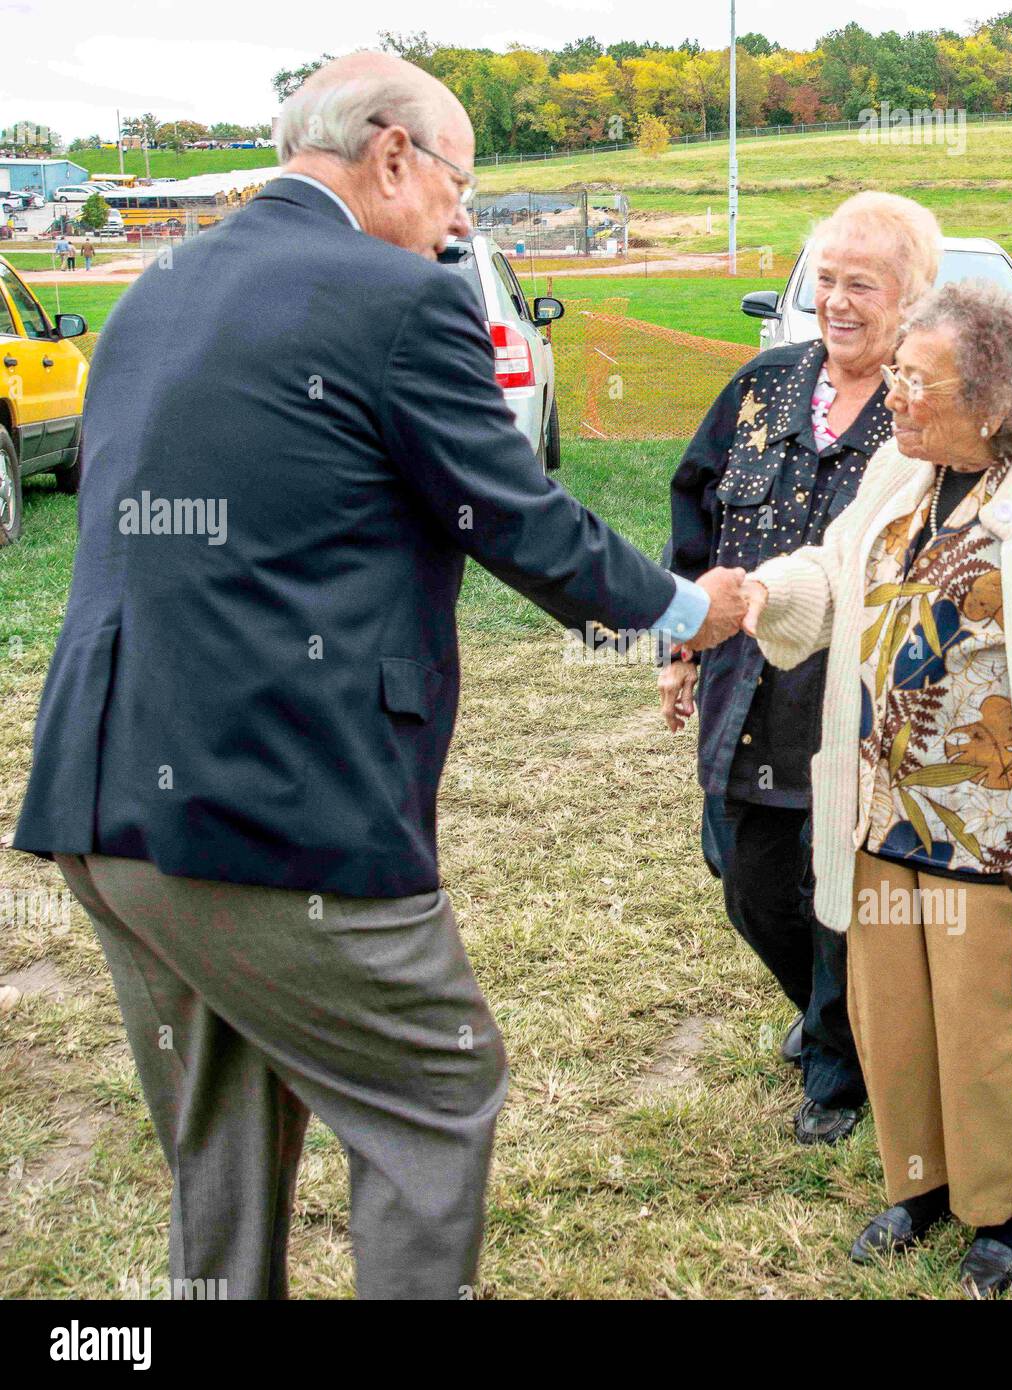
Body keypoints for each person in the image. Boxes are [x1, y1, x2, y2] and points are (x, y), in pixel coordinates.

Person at [13, 52, 747, 1301]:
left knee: (222, 1126)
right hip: (276, 806)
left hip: (101, 791)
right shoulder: (402, 297)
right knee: (436, 1092)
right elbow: (513, 517)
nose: (463, 218)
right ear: (394, 153)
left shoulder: (158, 286)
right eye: (459, 184)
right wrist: (689, 604)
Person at [741, 280, 1012, 1297]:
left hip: (1000, 828)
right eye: (892, 373)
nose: (890, 395)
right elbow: (835, 572)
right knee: (895, 1020)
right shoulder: (902, 468)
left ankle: (1004, 1207)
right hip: (887, 809)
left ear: (990, 399)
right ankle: (920, 1185)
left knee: (991, 1030)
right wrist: (763, 593)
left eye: (915, 380)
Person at [661, 192, 941, 1145]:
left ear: (912, 296)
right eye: (824, 278)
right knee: (741, 871)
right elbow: (692, 513)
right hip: (744, 679)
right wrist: (678, 640)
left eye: (862, 283)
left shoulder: (926, 408)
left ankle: (838, 1061)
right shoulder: (759, 387)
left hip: (859, 699)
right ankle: (831, 1014)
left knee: (838, 886)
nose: (837, 301)